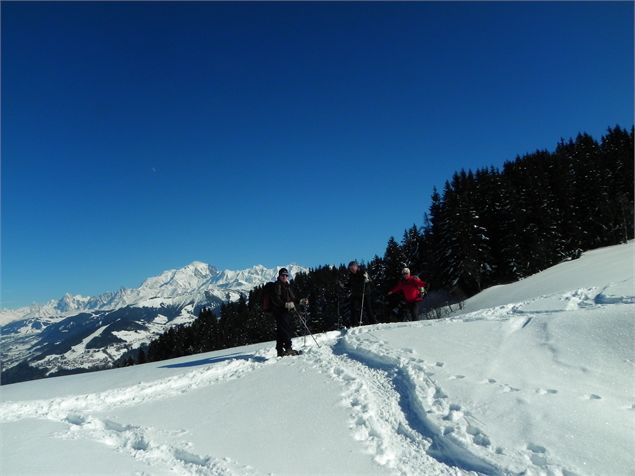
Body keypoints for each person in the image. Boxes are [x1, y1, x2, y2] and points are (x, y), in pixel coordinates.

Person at [270, 268, 301, 357]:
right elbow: (276, 300)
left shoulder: (287, 285)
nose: (284, 277)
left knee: (280, 331)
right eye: (283, 275)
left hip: (285, 311)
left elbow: (293, 298)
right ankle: (288, 348)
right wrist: (286, 304)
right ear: (279, 276)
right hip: (280, 312)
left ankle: (279, 350)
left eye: (286, 275)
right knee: (286, 330)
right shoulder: (278, 285)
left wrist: (300, 301)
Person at [347, 261, 376, 327]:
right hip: (355, 294)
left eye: (353, 268)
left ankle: (373, 322)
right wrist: (343, 285)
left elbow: (370, 281)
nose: (352, 269)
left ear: (357, 267)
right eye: (350, 268)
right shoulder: (351, 275)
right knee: (353, 308)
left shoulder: (362, 272)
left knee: (368, 309)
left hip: (365, 294)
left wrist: (367, 280)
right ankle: (354, 324)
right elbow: (350, 284)